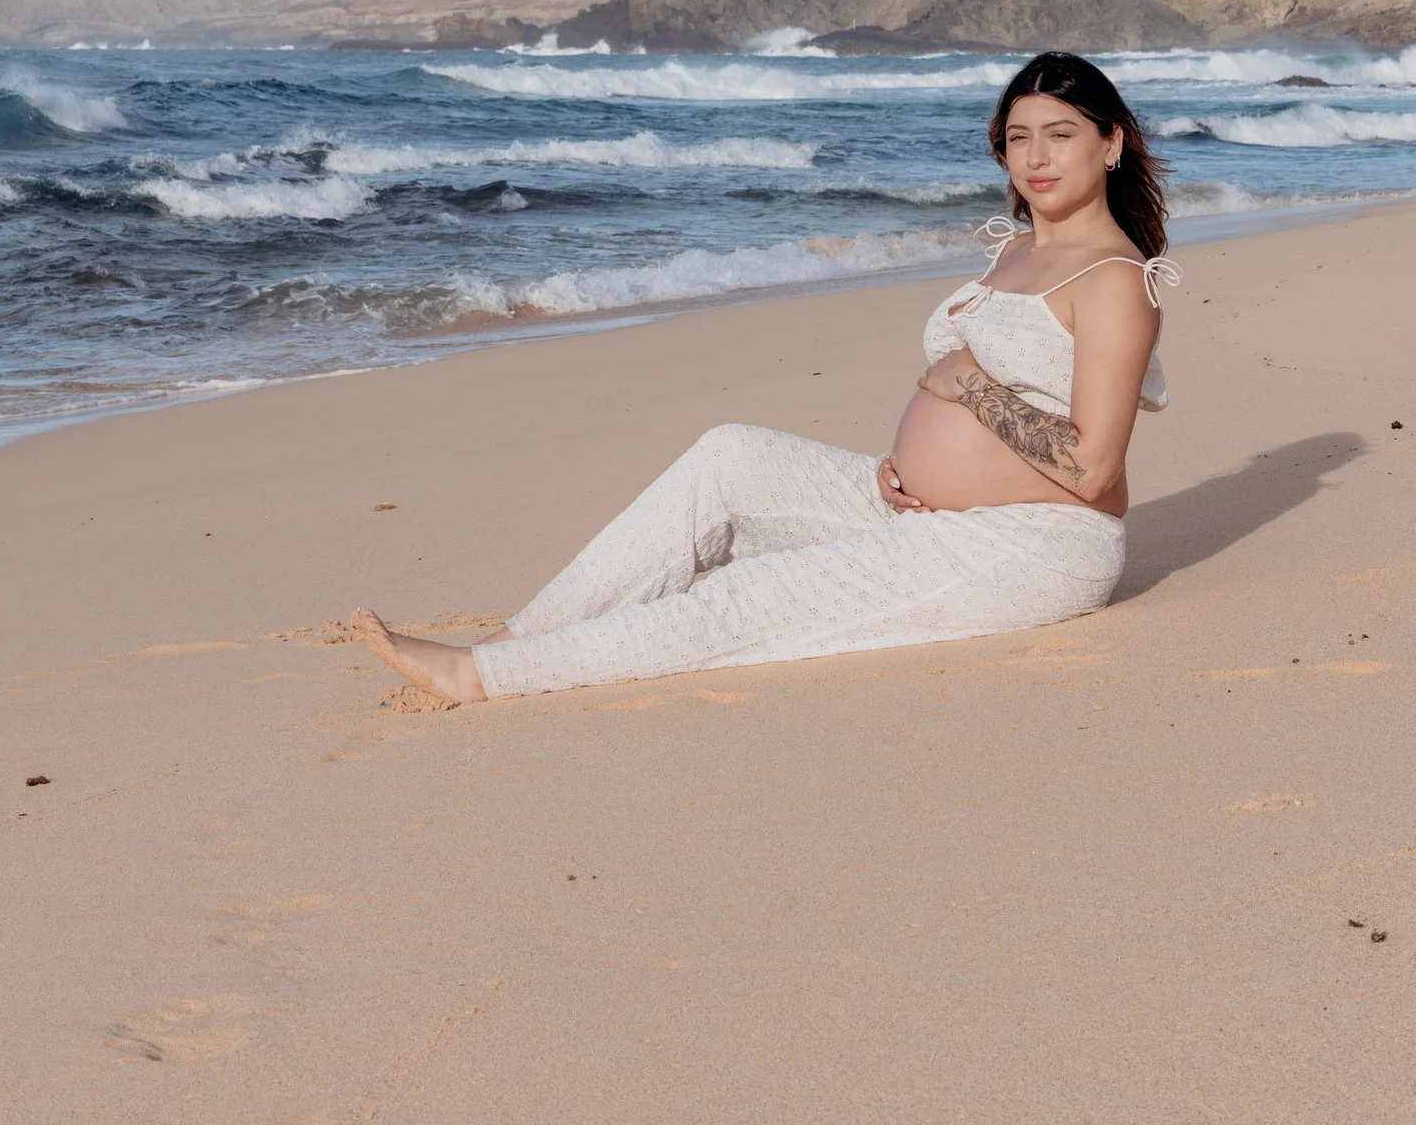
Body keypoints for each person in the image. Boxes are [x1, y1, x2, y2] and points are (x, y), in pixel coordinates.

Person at [355, 50, 1178, 703]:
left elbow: (1094, 465)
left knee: (755, 596)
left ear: (1110, 143)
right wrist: (913, 467)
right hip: (922, 507)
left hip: (1030, 546)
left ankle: (480, 679)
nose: (1035, 156)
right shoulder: (1018, 249)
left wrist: (969, 393)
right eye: (1019, 134)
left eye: (1061, 133)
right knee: (729, 455)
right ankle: (511, 640)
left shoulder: (1112, 280)